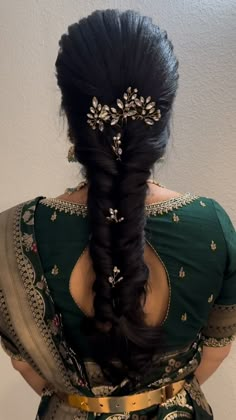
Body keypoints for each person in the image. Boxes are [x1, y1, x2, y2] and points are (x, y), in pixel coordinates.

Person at [0, 9, 235, 420]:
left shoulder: (8, 234)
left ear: (72, 123)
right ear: (160, 123)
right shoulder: (211, 223)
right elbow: (215, 352)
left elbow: (26, 365)